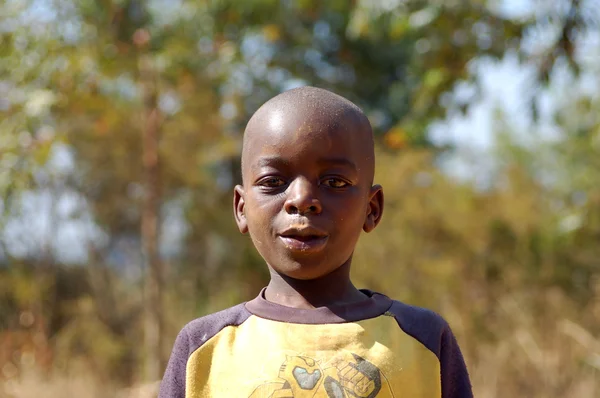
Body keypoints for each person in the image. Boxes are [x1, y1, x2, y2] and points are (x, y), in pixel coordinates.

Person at [159, 86, 473, 398]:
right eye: (274, 182)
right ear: (242, 208)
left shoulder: (423, 341)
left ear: (371, 208)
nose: (301, 200)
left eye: (334, 182)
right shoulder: (204, 348)